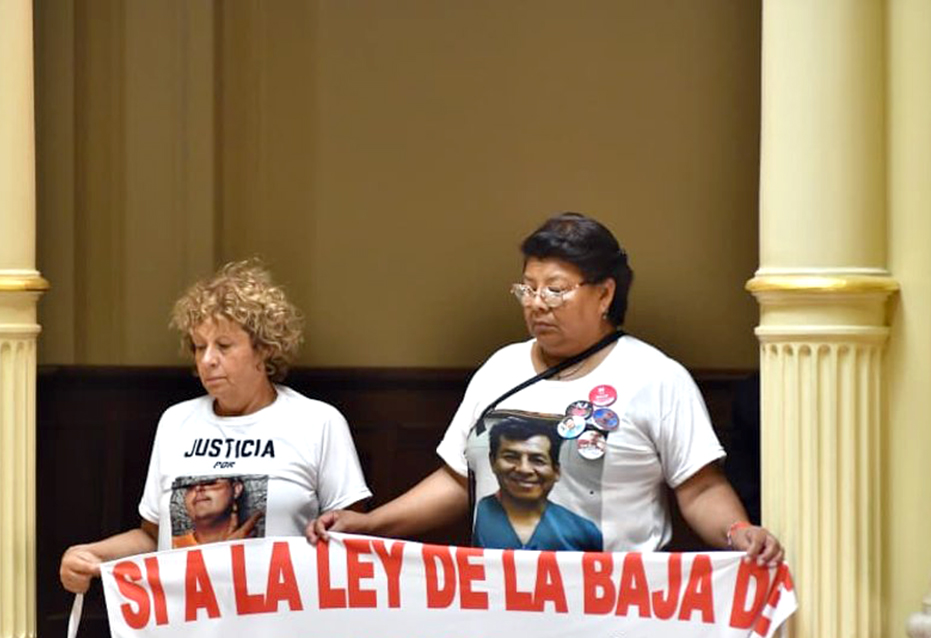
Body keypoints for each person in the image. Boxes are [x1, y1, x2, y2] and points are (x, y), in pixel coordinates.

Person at [308, 212, 784, 564]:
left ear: (605, 293)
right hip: (499, 607)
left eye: (555, 289)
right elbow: (457, 479)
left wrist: (738, 531)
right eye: (528, 288)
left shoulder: (656, 377)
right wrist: (371, 525)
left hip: (613, 611)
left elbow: (700, 489)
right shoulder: (500, 369)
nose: (537, 304)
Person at [60, 260, 371, 594]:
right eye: (199, 346)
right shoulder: (175, 422)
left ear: (264, 349)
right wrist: (92, 555)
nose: (207, 360)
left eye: (223, 346)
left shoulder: (317, 422)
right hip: (187, 619)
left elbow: (349, 540)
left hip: (281, 618)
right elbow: (154, 537)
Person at [473, 416, 602, 550]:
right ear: (493, 462)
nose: (524, 469)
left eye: (537, 460)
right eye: (511, 457)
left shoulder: (585, 531)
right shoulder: (474, 516)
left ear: (556, 471)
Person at [171, 476, 260, 548]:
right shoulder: (172, 546)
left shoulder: (259, 544)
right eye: (190, 485)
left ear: (236, 489)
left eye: (210, 481)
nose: (198, 488)